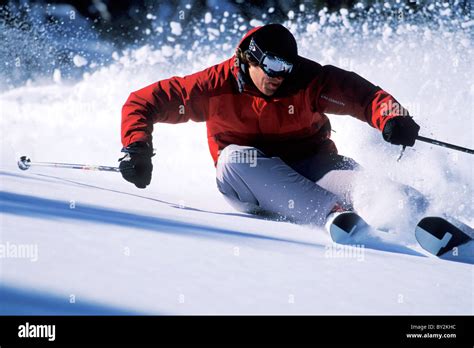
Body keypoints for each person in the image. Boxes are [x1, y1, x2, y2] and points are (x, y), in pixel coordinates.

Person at [119, 23, 423, 227]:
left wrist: (394, 117)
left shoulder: (307, 80)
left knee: (377, 191)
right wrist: (137, 148)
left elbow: (366, 97)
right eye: (274, 66)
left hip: (312, 166)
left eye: (287, 67)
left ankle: (430, 216)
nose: (280, 76)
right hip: (251, 177)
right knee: (234, 158)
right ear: (249, 59)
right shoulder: (214, 87)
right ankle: (338, 217)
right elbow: (143, 102)